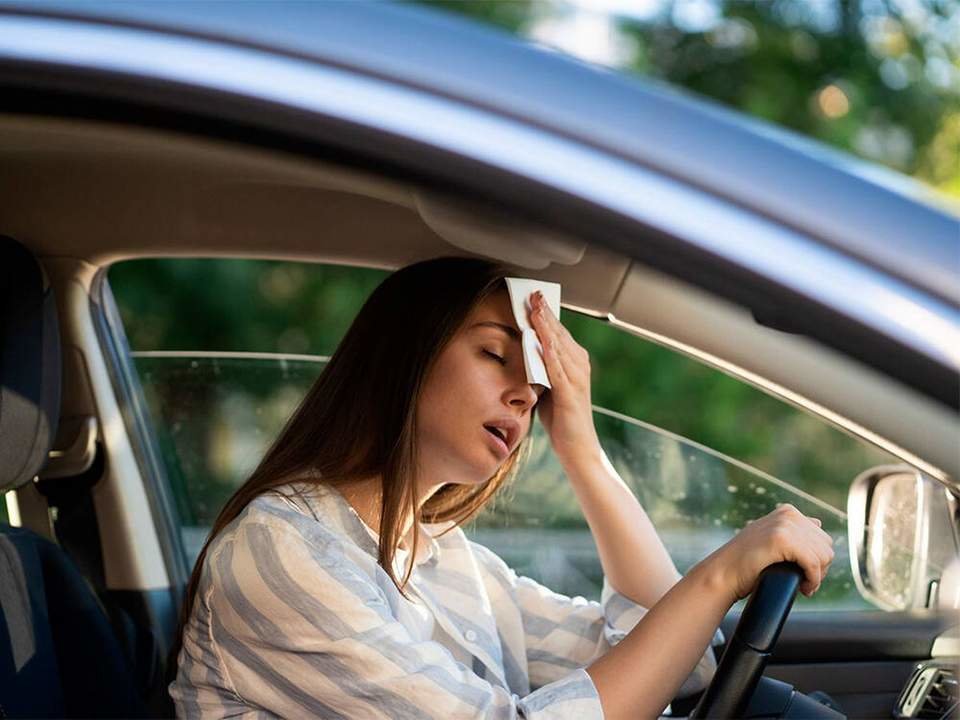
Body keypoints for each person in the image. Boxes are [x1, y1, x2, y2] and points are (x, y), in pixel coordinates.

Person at [169, 257, 834, 719]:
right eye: (494, 354)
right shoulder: (281, 550)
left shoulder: (443, 557)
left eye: (537, 385)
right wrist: (721, 575)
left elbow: (674, 663)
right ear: (405, 356)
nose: (524, 394)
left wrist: (583, 448)